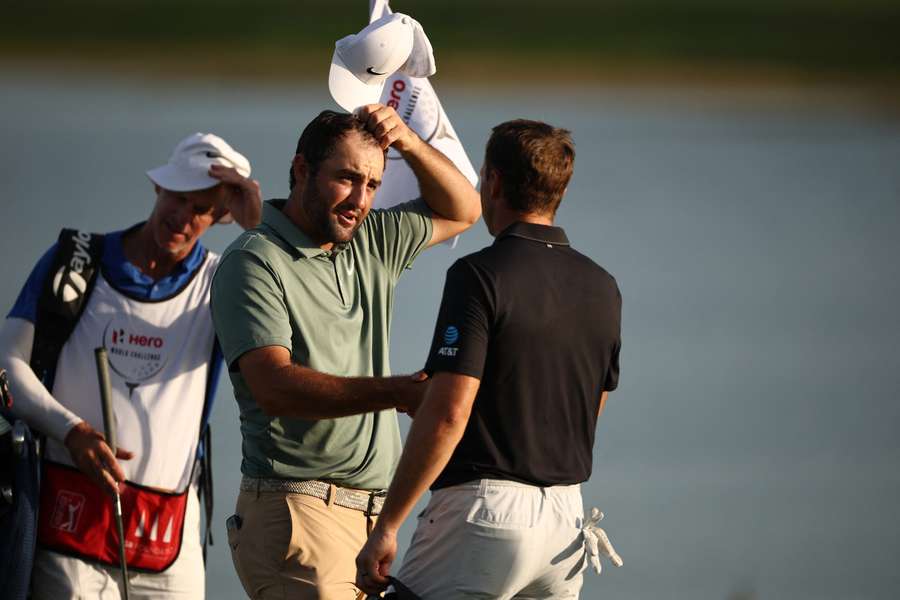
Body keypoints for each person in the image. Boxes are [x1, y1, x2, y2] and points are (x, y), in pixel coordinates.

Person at [210, 104, 480, 599]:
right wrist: (398, 391)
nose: (360, 199)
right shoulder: (253, 259)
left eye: (373, 185)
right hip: (297, 511)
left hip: (372, 521)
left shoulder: (370, 238)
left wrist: (410, 144)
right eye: (347, 178)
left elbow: (465, 208)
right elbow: (274, 386)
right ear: (300, 171)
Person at [355, 119, 624, 599]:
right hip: (567, 522)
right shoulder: (603, 286)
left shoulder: (477, 275)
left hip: (484, 515)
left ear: (494, 182)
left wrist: (388, 525)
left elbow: (448, 413)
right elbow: (592, 403)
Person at [0, 132, 262, 599]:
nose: (183, 217)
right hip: (70, 521)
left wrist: (258, 229)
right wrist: (72, 431)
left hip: (169, 536)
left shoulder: (226, 281)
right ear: (158, 189)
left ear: (219, 216)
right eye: (178, 198)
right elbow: (7, 364)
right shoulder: (76, 260)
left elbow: (290, 338)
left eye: (202, 208)